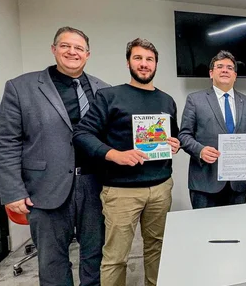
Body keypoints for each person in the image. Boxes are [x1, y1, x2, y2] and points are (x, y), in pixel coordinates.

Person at [0, 26, 109, 285]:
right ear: (54, 49)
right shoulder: (22, 87)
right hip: (45, 188)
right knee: (52, 261)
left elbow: (114, 136)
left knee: (96, 255)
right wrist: (12, 191)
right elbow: (5, 142)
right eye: (65, 46)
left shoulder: (104, 89)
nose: (72, 52)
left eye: (79, 48)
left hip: (95, 185)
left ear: (88, 54)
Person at [73, 38, 180, 285]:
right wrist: (114, 155)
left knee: (157, 248)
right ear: (128, 62)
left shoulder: (166, 100)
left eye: (149, 59)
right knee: (116, 257)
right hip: (121, 191)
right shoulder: (109, 96)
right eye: (138, 58)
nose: (144, 64)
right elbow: (81, 134)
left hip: (161, 187)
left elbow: (172, 136)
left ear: (156, 64)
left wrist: (174, 144)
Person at [178, 50, 246, 209]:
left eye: (230, 68)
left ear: (235, 75)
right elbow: (184, 135)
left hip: (238, 183)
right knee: (205, 231)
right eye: (220, 67)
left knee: (235, 229)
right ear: (211, 73)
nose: (225, 70)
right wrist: (201, 151)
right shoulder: (195, 100)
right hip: (205, 182)